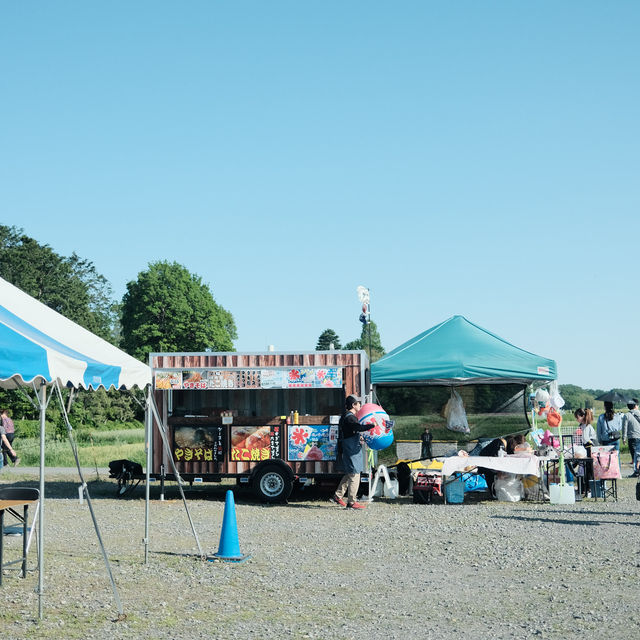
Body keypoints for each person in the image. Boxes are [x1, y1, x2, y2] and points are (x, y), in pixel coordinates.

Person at [330, 395, 371, 509]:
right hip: (351, 450)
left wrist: (359, 438)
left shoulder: (345, 416)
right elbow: (358, 428)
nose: (360, 406)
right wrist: (373, 425)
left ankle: (337, 496)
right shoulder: (350, 417)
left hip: (348, 447)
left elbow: (351, 432)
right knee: (355, 474)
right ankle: (352, 502)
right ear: (353, 405)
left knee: (349, 473)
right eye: (358, 403)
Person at [574, 408, 596, 496]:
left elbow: (587, 439)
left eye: (577, 417)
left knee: (589, 470)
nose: (577, 419)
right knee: (582, 470)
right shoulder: (581, 426)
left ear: (583, 416)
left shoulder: (588, 427)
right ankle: (583, 488)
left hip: (589, 449)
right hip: (583, 449)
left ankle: (589, 488)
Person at [596, 401, 622, 472]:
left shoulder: (601, 417)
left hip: (606, 439)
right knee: (616, 456)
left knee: (607, 457)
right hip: (616, 439)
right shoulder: (617, 416)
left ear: (605, 407)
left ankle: (608, 471)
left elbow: (599, 430)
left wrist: (599, 440)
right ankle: (617, 471)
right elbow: (620, 427)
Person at [622, 398, 640, 477]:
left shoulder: (627, 415)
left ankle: (636, 472)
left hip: (632, 437)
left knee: (634, 455)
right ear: (636, 405)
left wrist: (624, 437)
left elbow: (624, 427)